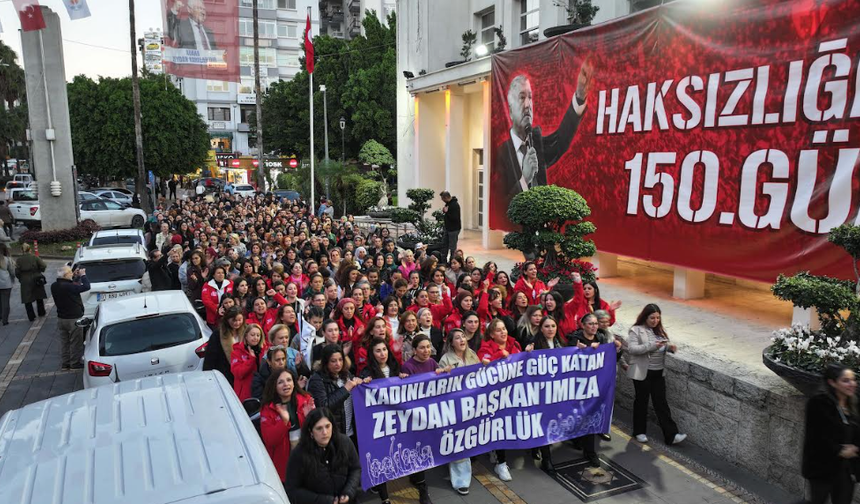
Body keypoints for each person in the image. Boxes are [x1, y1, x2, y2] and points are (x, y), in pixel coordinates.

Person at [491, 61, 592, 227]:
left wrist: (579, 97)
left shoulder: (535, 143)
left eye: (530, 97)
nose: (527, 105)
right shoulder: (501, 154)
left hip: (542, 232)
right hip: (518, 232)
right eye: (522, 98)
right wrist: (524, 178)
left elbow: (560, 141)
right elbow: (499, 206)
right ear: (510, 109)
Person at [627, 304, 686, 445]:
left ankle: (671, 435)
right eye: (652, 318)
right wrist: (653, 346)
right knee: (641, 402)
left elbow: (661, 347)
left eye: (658, 318)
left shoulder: (660, 331)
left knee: (661, 403)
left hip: (658, 372)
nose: (655, 321)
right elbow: (632, 349)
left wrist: (669, 348)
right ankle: (639, 432)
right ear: (645, 317)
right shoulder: (636, 330)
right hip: (643, 372)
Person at [802, 363, 860, 504]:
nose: (852, 384)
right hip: (823, 468)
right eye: (846, 380)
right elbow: (816, 437)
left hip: (847, 469)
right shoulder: (818, 403)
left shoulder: (856, 403)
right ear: (832, 382)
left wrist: (856, 448)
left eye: (853, 380)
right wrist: (840, 450)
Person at [477, 319, 527, 482]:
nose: (503, 332)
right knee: (499, 427)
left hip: (515, 393)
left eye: (504, 328)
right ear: (492, 334)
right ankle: (501, 463)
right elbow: (484, 367)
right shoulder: (485, 348)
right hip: (496, 396)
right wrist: (500, 355)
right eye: (498, 330)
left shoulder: (515, 344)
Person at [398, 333, 445, 504]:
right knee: (417, 448)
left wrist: (443, 374)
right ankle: (422, 487)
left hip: (430, 413)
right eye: (422, 348)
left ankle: (416, 477)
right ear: (414, 350)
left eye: (428, 347)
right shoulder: (408, 367)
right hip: (415, 415)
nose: (426, 351)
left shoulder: (432, 363)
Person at [284, 407, 362, 504]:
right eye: (319, 428)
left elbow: (355, 469)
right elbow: (292, 491)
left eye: (327, 426)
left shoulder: (345, 442)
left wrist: (349, 492)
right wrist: (325, 501)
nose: (325, 432)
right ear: (310, 431)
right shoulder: (299, 454)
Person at [359, 338, 401, 504]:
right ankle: (385, 498)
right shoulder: (366, 372)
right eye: (378, 351)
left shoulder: (395, 367)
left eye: (384, 349)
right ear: (372, 354)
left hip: (396, 420)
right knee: (380, 455)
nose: (382, 354)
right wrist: (364, 383)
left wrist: (403, 379)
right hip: (377, 423)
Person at [260, 367, 315, 483]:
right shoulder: (268, 408)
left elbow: (317, 433)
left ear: (294, 383)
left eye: (289, 380)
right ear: (274, 386)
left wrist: (309, 417)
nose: (286, 384)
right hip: (283, 466)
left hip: (307, 460)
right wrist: (283, 422)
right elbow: (270, 440)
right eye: (280, 382)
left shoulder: (306, 400)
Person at [306, 345, 363, 440]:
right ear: (326, 362)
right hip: (331, 435)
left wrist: (363, 384)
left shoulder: (346, 375)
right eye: (333, 361)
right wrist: (345, 389)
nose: (338, 364)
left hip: (350, 432)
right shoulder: (317, 380)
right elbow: (323, 407)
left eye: (340, 360)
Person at [50, 266, 91, 370]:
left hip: (61, 318)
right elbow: (86, 286)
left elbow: (71, 285)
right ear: (65, 275)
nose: (72, 274)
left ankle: (66, 363)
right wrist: (83, 275)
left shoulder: (54, 286)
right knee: (75, 341)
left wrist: (76, 277)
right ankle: (75, 363)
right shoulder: (69, 286)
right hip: (73, 318)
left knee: (65, 342)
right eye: (70, 273)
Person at [202, 306, 245, 385]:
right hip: (225, 374)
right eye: (234, 320)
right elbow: (210, 358)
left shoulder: (246, 331)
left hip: (243, 373)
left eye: (239, 320)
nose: (237, 323)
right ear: (227, 319)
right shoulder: (218, 334)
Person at [15, 243, 47, 321]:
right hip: (36, 277)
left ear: (22, 250)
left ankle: (31, 316)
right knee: (39, 296)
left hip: (25, 279)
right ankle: (41, 312)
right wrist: (39, 270)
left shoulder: (19, 260)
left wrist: (20, 278)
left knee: (27, 299)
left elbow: (17, 272)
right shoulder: (35, 257)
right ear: (30, 249)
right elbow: (43, 265)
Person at [440, 191, 461, 263]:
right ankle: (443, 262)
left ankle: (452, 262)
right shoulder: (448, 204)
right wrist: (445, 212)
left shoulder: (454, 205)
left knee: (452, 248)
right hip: (447, 228)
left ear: (446, 197)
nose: (442, 200)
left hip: (453, 229)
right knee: (444, 245)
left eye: (443, 199)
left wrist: (447, 212)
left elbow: (455, 218)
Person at [0, 244, 13, 326]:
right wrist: (13, 279)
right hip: (6, 283)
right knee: (5, 302)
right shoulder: (7, 259)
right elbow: (11, 271)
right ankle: (5, 320)